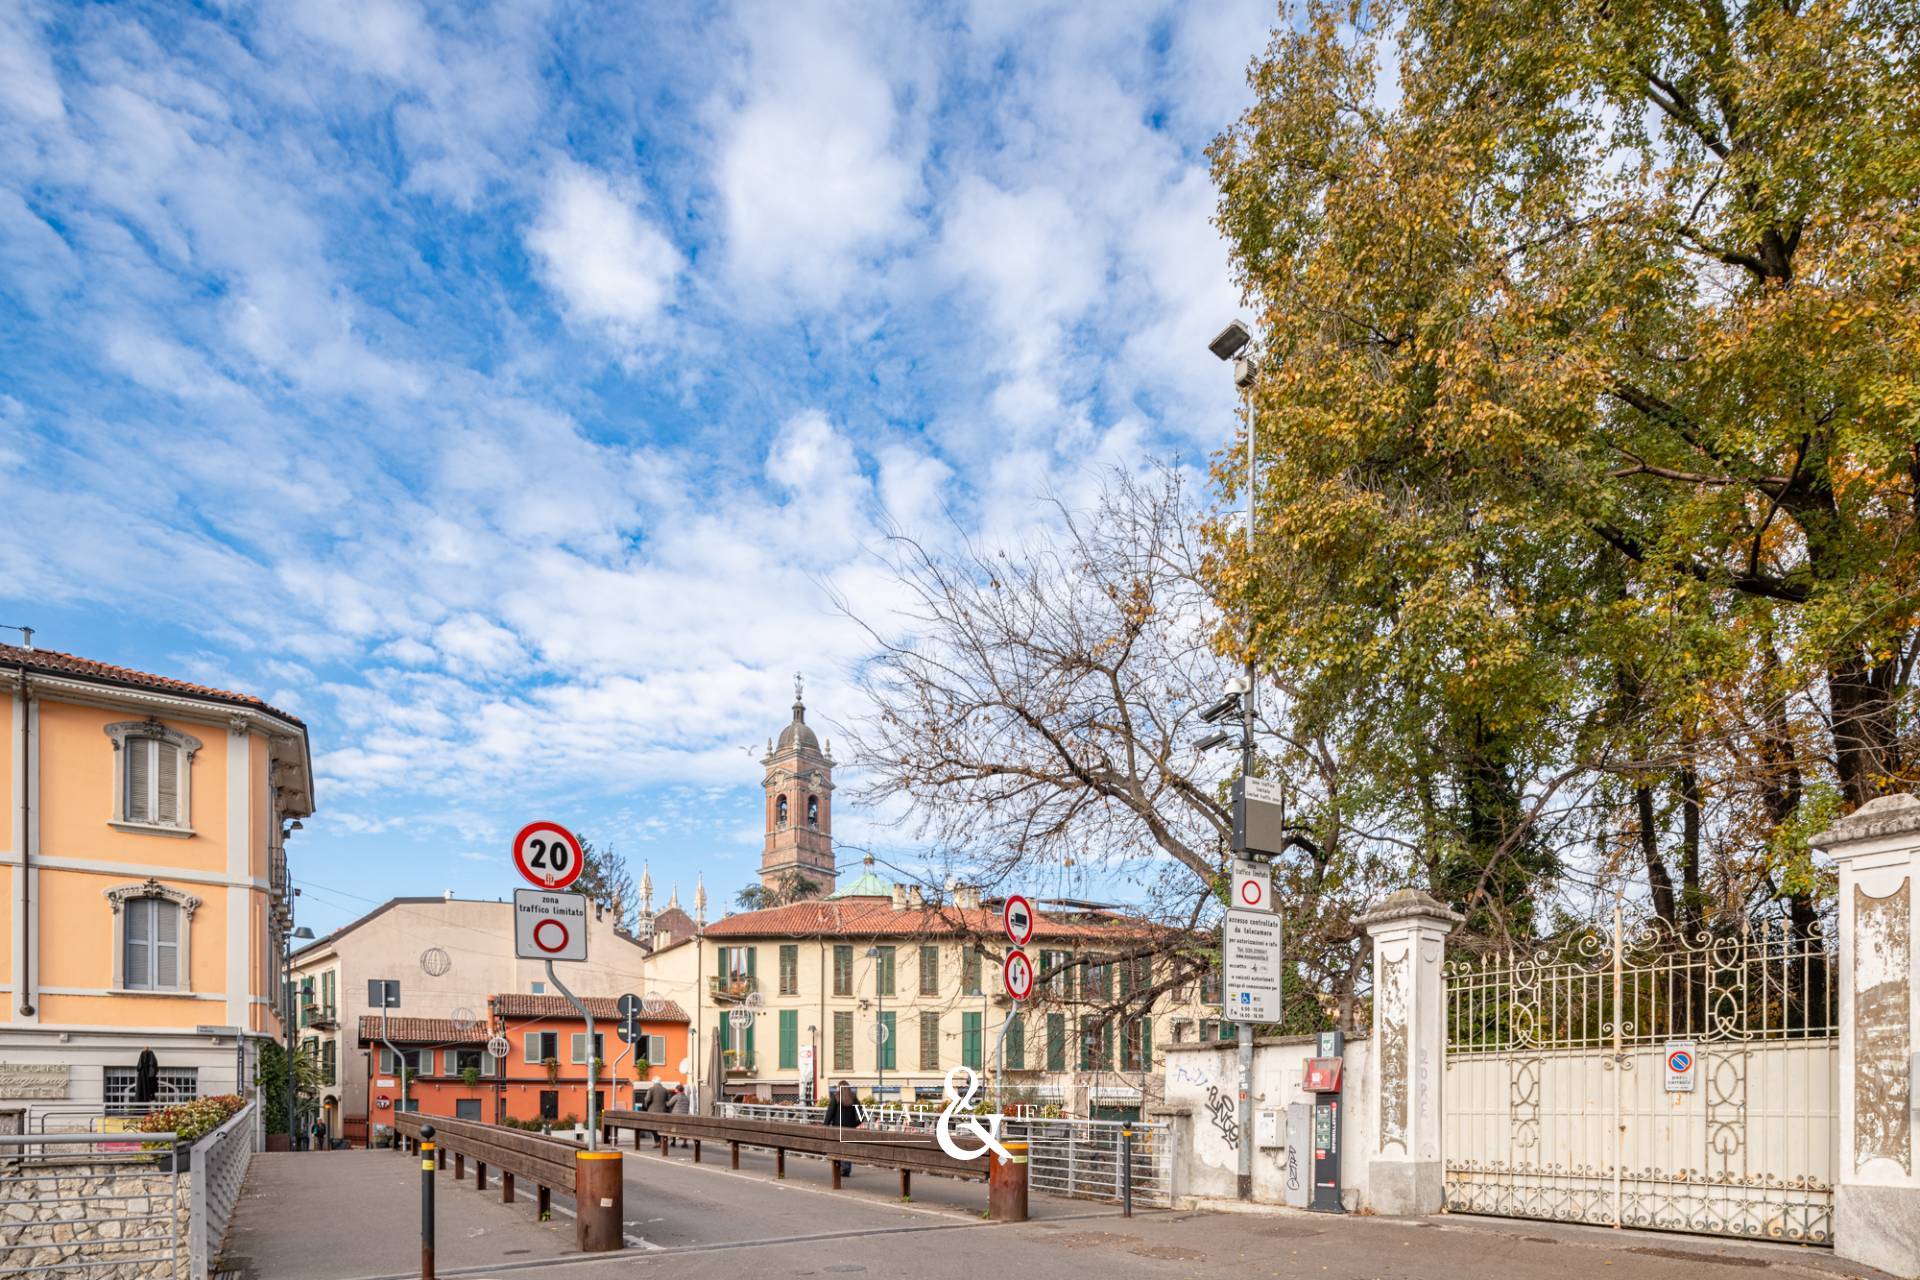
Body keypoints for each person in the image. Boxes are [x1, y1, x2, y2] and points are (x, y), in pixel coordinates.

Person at [820, 1080, 859, 1177]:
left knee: (838, 1148)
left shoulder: (836, 1097)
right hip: (850, 1129)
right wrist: (854, 1124)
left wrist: (825, 1126)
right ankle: (846, 1169)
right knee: (847, 1148)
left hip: (837, 1128)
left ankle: (841, 1168)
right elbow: (861, 1115)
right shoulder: (853, 1098)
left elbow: (830, 1113)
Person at [641, 1077, 668, 1143]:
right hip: (663, 1111)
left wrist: (646, 1107)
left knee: (652, 1126)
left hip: (652, 1111)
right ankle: (660, 1141)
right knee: (660, 1126)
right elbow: (667, 1101)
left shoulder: (651, 1089)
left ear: (653, 1082)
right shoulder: (665, 1090)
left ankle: (657, 1141)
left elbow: (647, 1099)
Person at [666, 1082, 689, 1148]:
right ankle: (685, 1143)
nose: (674, 1090)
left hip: (676, 1116)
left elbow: (669, 1104)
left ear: (677, 1090)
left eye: (675, 1089)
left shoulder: (676, 1096)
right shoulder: (686, 1097)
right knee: (684, 1129)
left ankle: (673, 1142)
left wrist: (666, 1102)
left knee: (673, 1128)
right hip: (685, 1116)